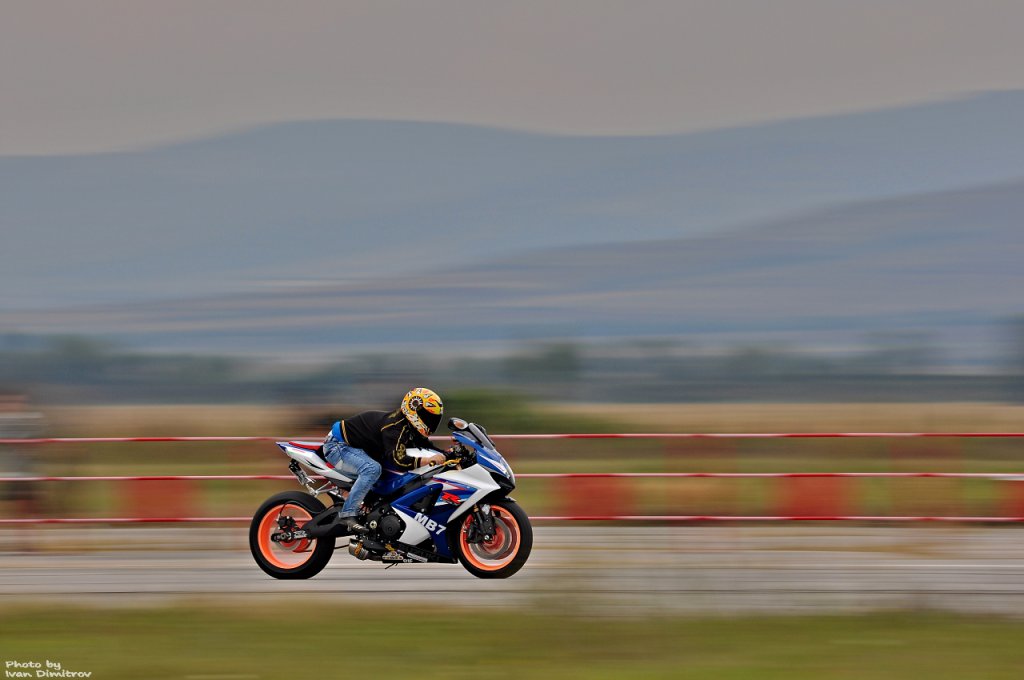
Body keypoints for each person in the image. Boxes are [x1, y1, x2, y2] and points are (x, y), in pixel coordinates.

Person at [323, 388, 447, 532]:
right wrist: (429, 460)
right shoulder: (394, 427)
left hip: (359, 448)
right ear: (413, 410)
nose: (430, 421)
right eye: (427, 416)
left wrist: (448, 454)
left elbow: (427, 445)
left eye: (433, 418)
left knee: (383, 471)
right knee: (372, 469)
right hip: (338, 446)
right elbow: (398, 461)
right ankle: (347, 514)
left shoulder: (408, 426)